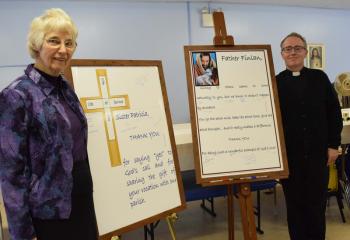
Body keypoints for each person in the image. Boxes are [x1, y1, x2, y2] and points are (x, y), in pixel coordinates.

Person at [0, 8, 98, 240]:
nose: (63, 50)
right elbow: (11, 173)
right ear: (37, 45)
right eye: (54, 41)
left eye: (69, 43)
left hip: (81, 200)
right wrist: (23, 233)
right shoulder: (17, 95)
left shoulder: (65, 89)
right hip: (48, 212)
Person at [276, 32, 342, 240]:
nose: (292, 52)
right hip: (290, 158)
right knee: (294, 208)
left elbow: (334, 112)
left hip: (317, 156)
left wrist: (334, 144)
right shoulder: (275, 83)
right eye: (288, 49)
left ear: (305, 52)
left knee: (316, 206)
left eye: (297, 48)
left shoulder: (320, 78)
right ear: (282, 54)